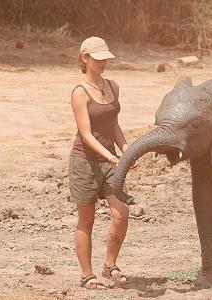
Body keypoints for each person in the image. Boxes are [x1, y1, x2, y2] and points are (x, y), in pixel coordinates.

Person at [68, 36, 135, 289]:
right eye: (99, 58)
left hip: (111, 163)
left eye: (106, 58)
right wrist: (111, 156)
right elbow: (85, 133)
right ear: (85, 58)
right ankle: (87, 275)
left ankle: (110, 265)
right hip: (85, 163)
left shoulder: (113, 86)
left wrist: (126, 150)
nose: (104, 62)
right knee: (87, 220)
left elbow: (113, 124)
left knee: (121, 214)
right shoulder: (79, 92)